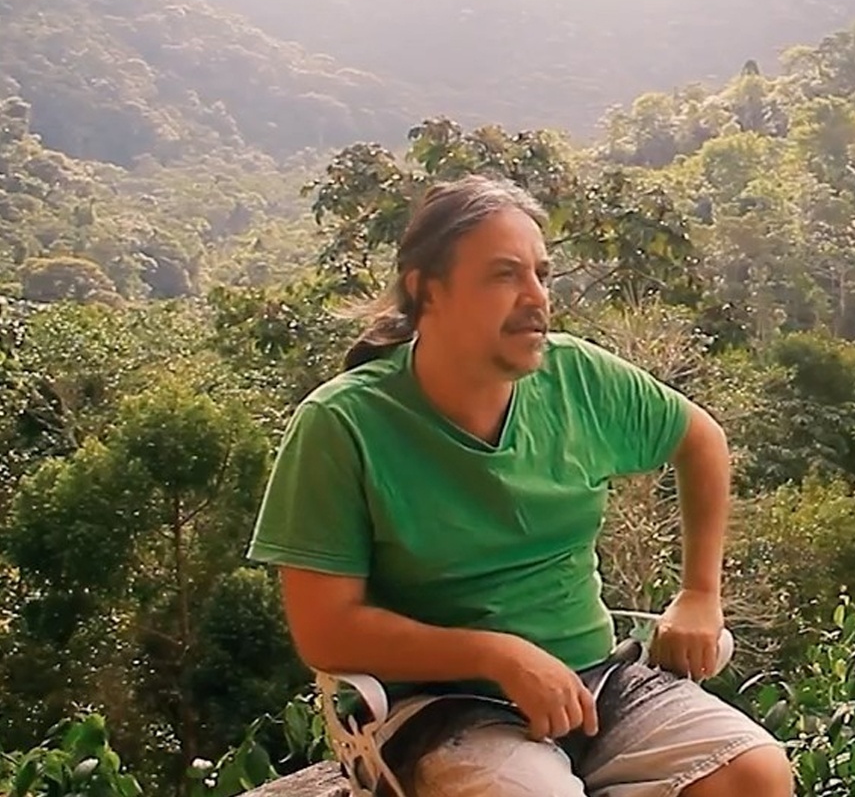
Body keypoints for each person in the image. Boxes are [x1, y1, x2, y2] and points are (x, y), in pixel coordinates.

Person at [247, 174, 793, 797]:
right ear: (427, 290)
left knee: (754, 773)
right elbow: (326, 631)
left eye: (542, 274)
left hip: (598, 683)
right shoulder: (343, 424)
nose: (536, 297)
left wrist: (699, 594)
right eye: (505, 275)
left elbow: (700, 440)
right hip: (443, 707)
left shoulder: (577, 377)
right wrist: (495, 655)